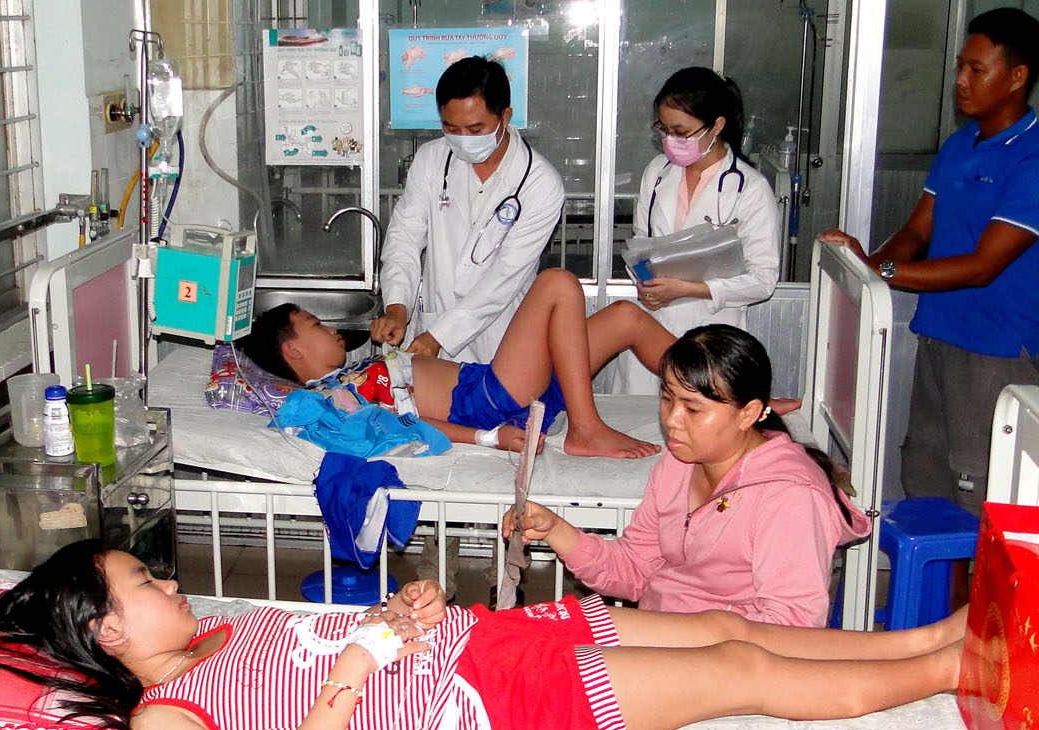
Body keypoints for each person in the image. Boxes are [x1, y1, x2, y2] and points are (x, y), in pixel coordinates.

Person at [0, 540, 965, 730]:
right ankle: (948, 669)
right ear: (105, 629)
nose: (170, 583)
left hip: (487, 643)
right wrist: (361, 669)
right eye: (145, 582)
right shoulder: (168, 723)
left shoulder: (225, 630)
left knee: (727, 628)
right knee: (737, 670)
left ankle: (933, 635)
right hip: (496, 710)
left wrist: (385, 619)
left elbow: (327, 646)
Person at [819, 7, 1039, 515]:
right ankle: (939, 596)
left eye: (976, 69)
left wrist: (884, 272)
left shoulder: (1031, 158)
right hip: (939, 336)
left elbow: (983, 266)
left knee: (980, 492)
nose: (960, 80)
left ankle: (973, 598)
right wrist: (864, 265)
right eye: (960, 66)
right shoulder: (961, 145)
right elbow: (920, 229)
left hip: (995, 354)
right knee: (927, 480)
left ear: (1016, 77)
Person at [506, 325, 869, 627]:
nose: (671, 421)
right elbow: (634, 571)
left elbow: (791, 626)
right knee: (529, 641)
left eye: (693, 409)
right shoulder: (679, 464)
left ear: (749, 414)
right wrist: (555, 529)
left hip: (728, 660)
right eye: (667, 399)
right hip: (668, 635)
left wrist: (672, 639)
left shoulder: (790, 498)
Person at [245, 268, 672, 458]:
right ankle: (586, 428)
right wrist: (487, 437)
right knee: (557, 284)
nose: (333, 330)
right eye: (316, 325)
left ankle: (725, 394)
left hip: (497, 386)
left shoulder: (349, 376)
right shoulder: (328, 399)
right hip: (484, 400)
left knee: (626, 317)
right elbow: (406, 427)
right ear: (293, 352)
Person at [371, 56, 564, 364]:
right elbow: (404, 237)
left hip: (503, 335)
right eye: (451, 128)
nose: (462, 140)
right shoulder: (431, 160)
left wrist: (440, 336)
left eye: (475, 129)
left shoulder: (539, 183)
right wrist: (397, 307)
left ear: (505, 116)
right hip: (432, 325)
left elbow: (506, 276)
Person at [613, 67, 781, 395]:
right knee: (638, 427)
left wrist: (689, 288)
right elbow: (639, 244)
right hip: (651, 326)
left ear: (717, 125)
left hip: (711, 336)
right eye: (664, 130)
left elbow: (763, 281)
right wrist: (646, 283)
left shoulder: (749, 188)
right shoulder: (657, 173)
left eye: (681, 131)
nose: (669, 140)